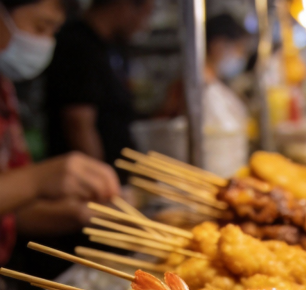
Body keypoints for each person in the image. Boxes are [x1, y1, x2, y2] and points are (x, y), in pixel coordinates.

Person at [0, 0, 118, 274]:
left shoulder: (4, 90)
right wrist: (38, 180)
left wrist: (78, 214)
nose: (46, 42)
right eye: (40, 26)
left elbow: (11, 210)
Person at [45, 0, 154, 172]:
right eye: (146, 14)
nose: (144, 25)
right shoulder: (77, 44)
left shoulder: (112, 46)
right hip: (85, 180)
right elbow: (78, 122)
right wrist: (100, 179)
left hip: (117, 174)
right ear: (123, 6)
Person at [159, 13, 251, 176]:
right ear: (218, 45)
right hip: (199, 176)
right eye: (239, 49)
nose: (241, 57)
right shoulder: (188, 87)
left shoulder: (217, 86)